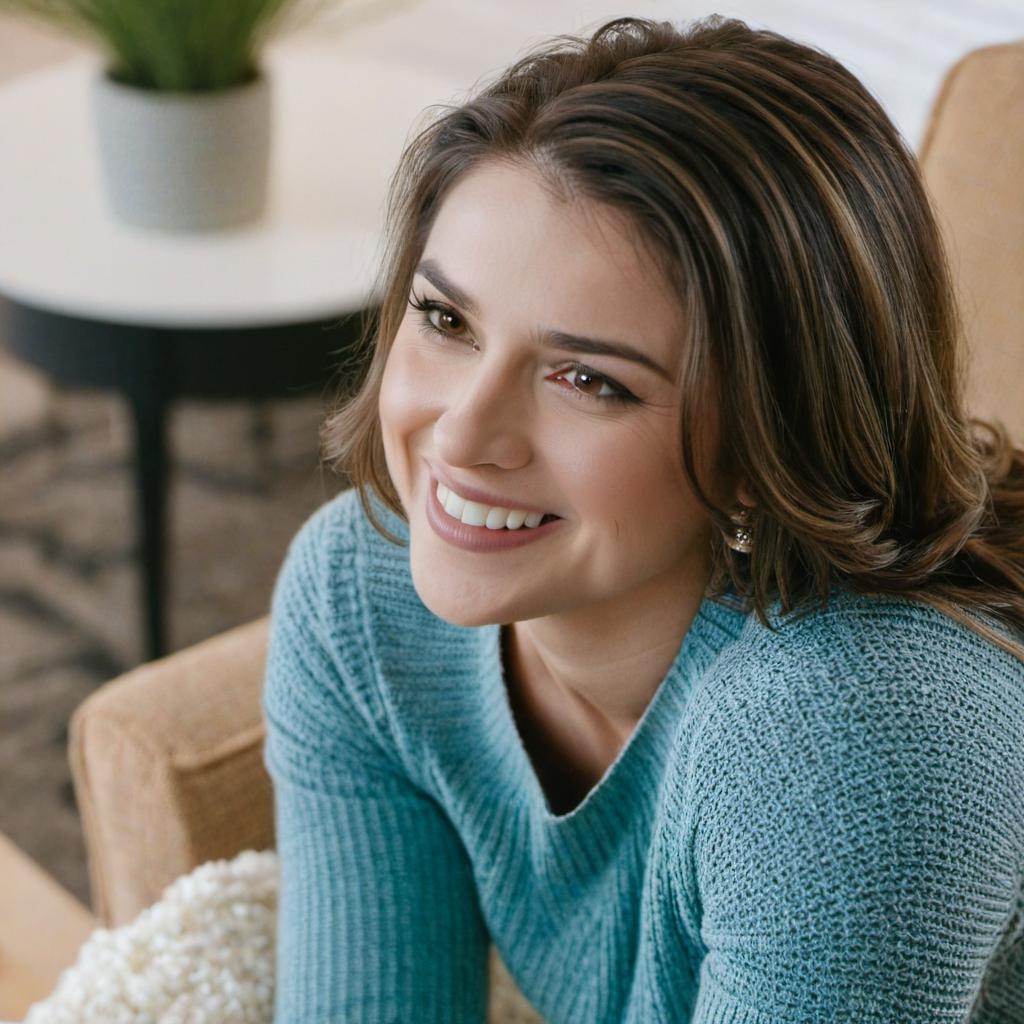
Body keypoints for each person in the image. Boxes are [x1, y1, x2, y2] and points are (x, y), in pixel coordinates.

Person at [261, 14, 1024, 1022]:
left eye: (587, 379)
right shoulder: (359, 603)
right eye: (447, 320)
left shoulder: (849, 737)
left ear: (766, 441)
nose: (460, 435)